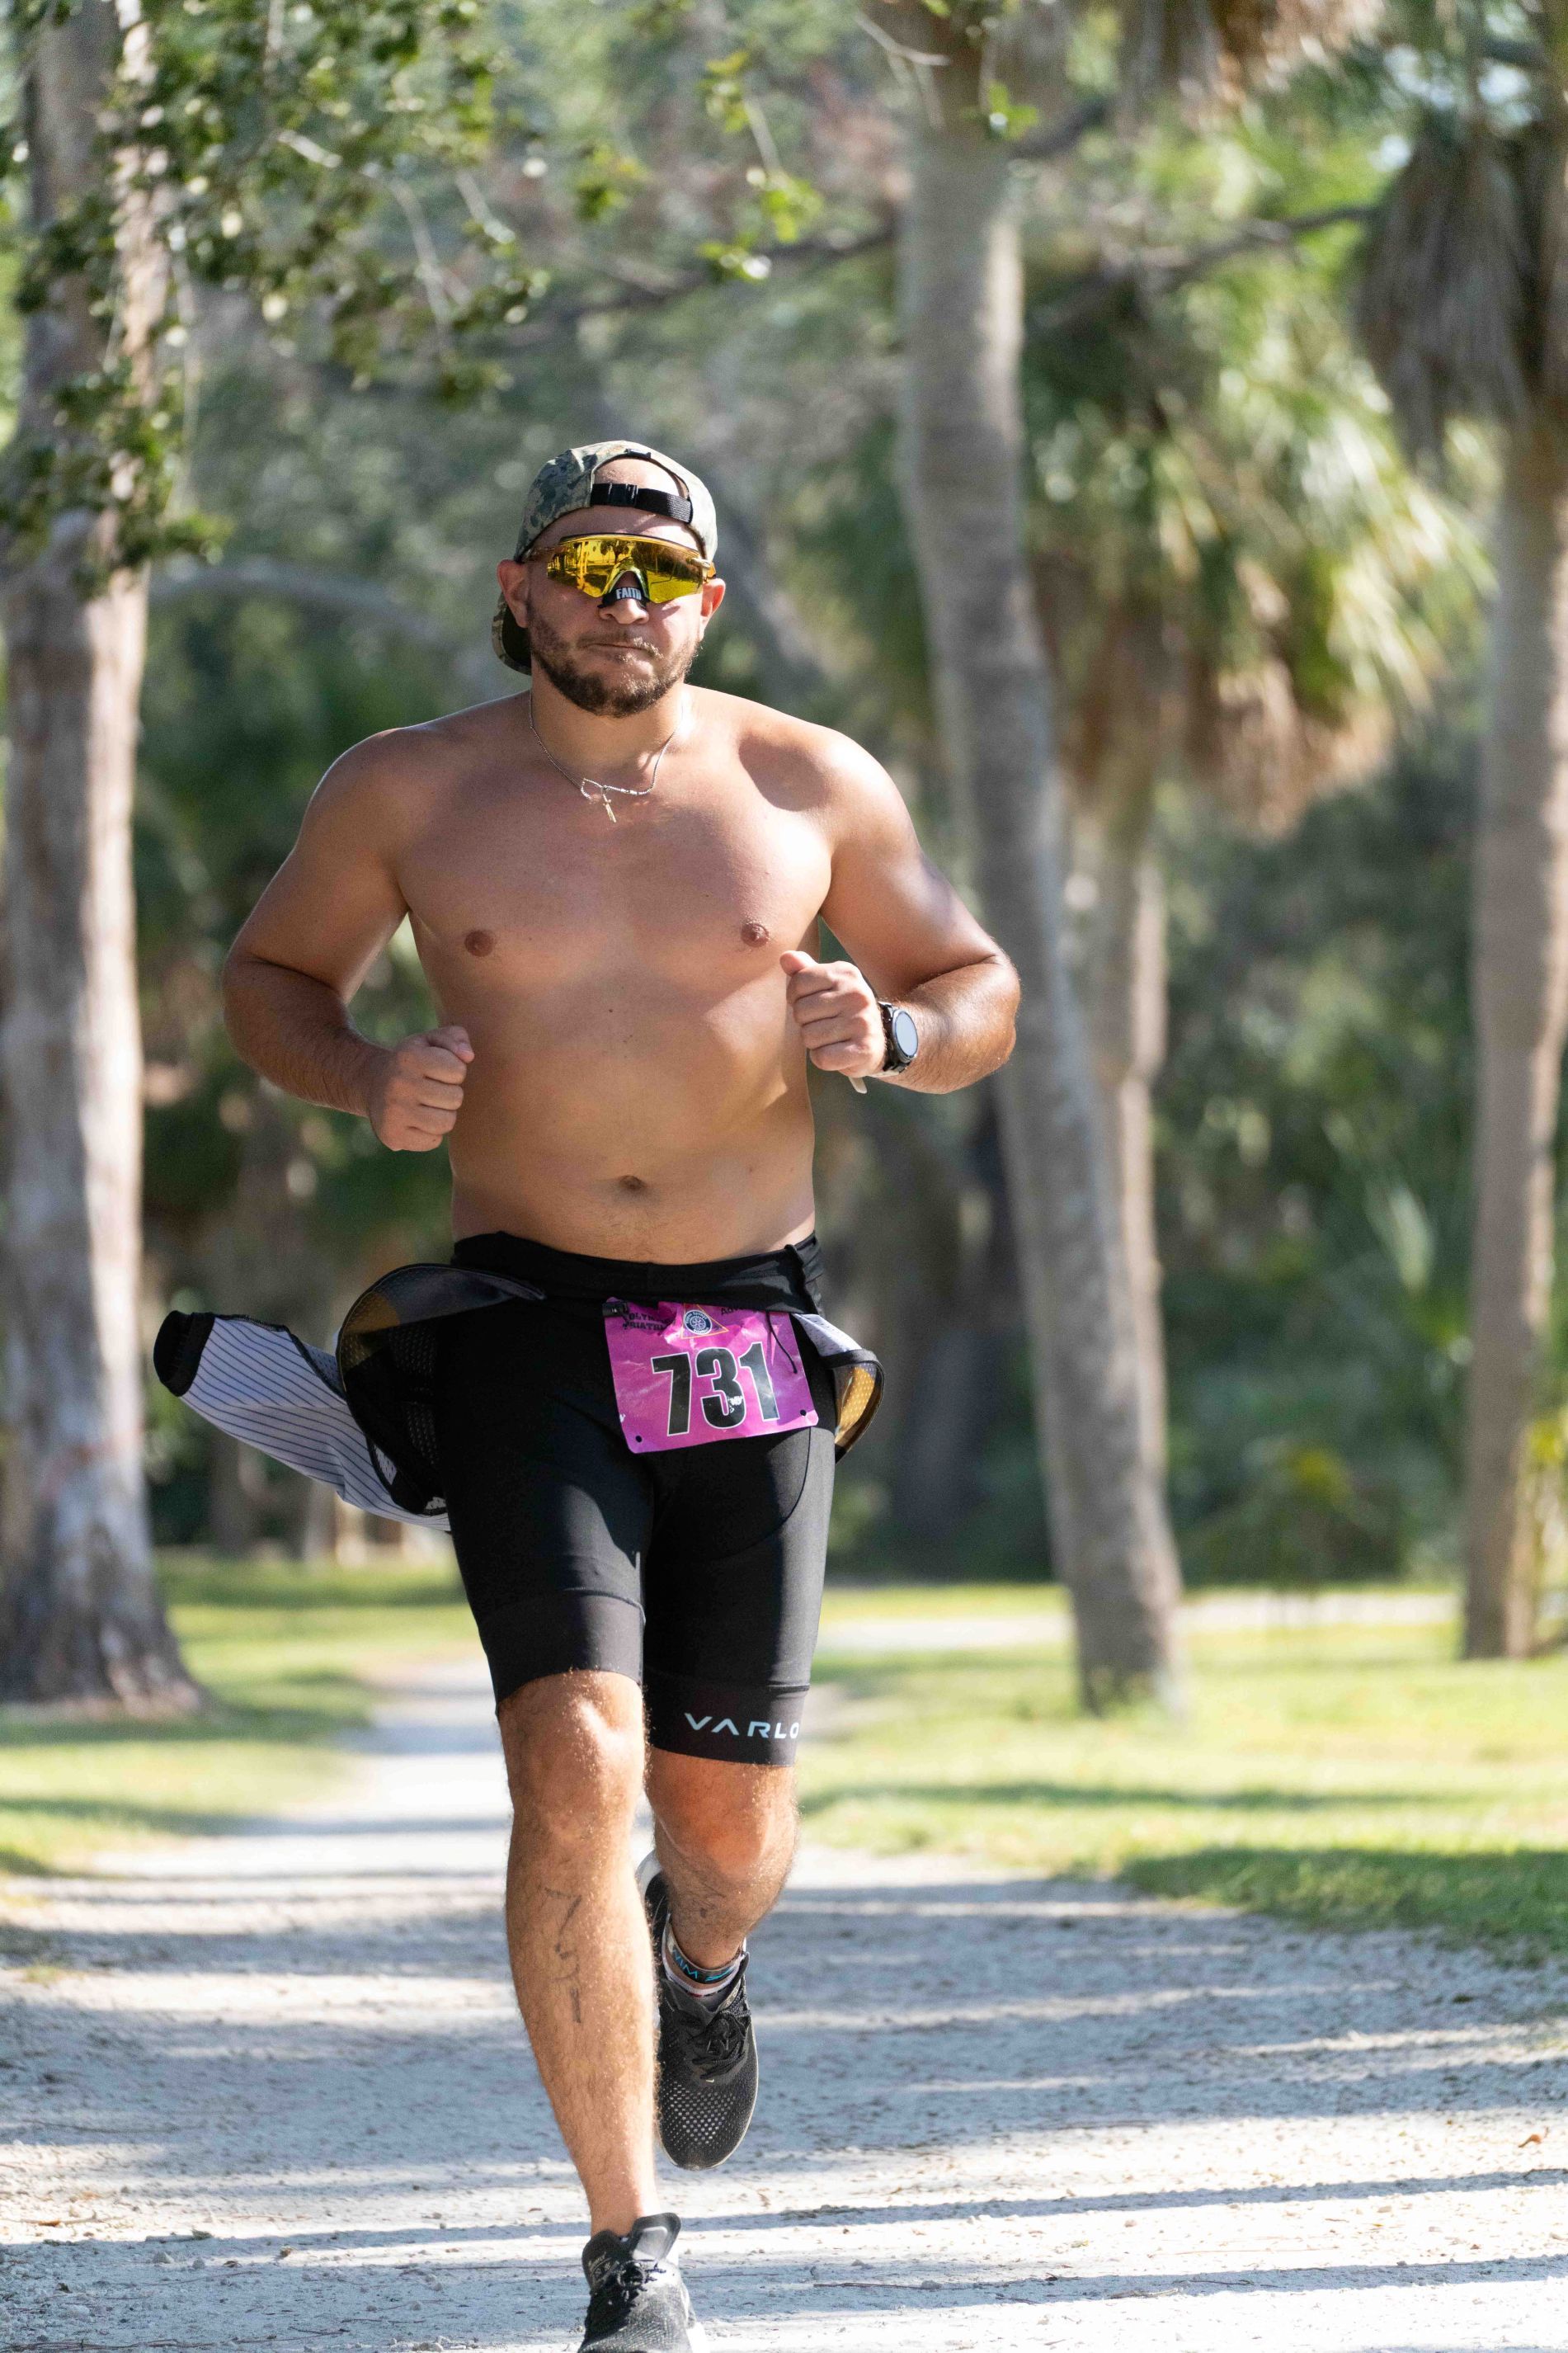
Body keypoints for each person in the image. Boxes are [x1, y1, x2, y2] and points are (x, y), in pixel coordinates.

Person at [210, 439, 1018, 2350]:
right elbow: (270, 979)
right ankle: (626, 2244)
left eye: (659, 573)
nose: (622, 601)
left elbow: (975, 984)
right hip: (522, 1317)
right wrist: (363, 1075)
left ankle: (704, 1964)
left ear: (705, 602)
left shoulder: (811, 783)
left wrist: (894, 1028)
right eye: (587, 566)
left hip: (747, 1327)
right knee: (573, 1757)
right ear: (521, 588)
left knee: (724, 1833)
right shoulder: (408, 789)